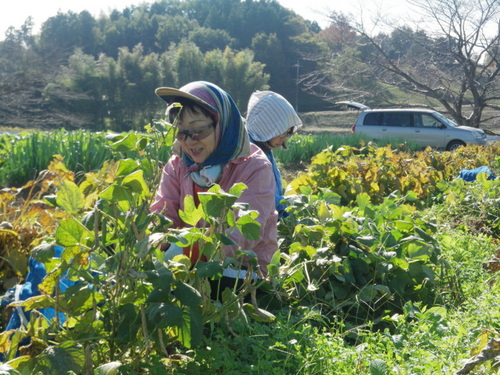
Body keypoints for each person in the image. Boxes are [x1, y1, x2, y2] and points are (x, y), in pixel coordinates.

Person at [150, 81, 278, 294]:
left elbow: (242, 236)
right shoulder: (178, 164)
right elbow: (161, 214)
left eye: (198, 130)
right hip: (186, 265)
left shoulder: (254, 167)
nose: (190, 141)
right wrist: (158, 240)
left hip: (242, 272)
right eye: (181, 132)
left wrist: (185, 247)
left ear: (222, 124)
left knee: (213, 285)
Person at [245, 90, 302, 218]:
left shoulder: (264, 148)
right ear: (266, 128)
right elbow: (259, 202)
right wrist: (286, 203)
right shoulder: (250, 155)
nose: (284, 139)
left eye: (288, 133)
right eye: (282, 133)